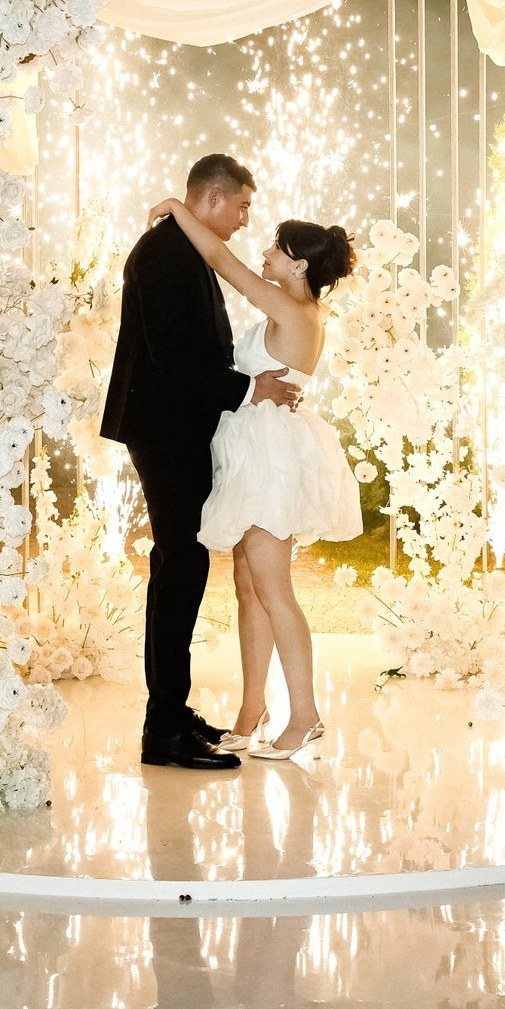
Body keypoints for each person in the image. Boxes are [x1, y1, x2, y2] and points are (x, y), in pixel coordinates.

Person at [100, 154, 302, 771]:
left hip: (177, 428)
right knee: (179, 565)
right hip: (165, 430)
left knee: (181, 565)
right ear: (213, 200)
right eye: (241, 206)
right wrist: (248, 391)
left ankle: (172, 710)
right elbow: (170, 358)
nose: (245, 219)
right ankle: (162, 727)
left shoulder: (180, 247)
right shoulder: (165, 254)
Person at [147, 196, 359, 760]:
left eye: (277, 248)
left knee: (273, 589)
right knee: (247, 586)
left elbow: (221, 259)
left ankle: (305, 716)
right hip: (253, 452)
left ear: (299, 267)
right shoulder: (287, 309)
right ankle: (251, 710)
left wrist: (175, 207)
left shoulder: (291, 310)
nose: (263, 252)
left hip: (271, 460)